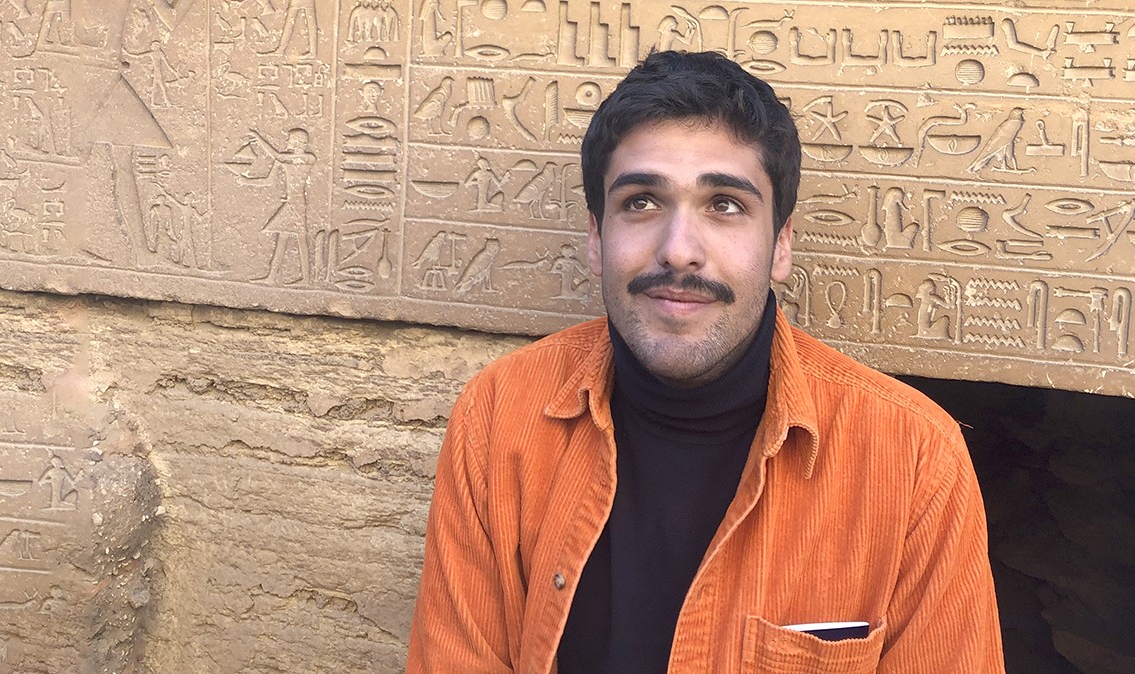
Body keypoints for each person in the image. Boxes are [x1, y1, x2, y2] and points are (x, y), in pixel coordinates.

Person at [407, 50, 1004, 673]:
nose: (679, 250)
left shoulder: (912, 458)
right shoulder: (501, 416)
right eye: (641, 201)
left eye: (724, 204)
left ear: (780, 246)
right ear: (595, 238)